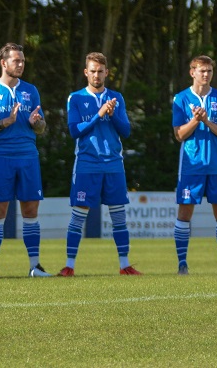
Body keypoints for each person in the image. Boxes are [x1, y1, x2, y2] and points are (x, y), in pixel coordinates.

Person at [58, 52, 141, 277]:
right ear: (86, 72)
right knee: (79, 215)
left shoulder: (116, 97)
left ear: (107, 73)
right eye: (92, 71)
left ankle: (125, 265)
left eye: (100, 71)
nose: (96, 75)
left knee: (118, 217)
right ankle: (69, 266)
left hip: (113, 164)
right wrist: (99, 114)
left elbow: (126, 131)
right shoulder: (75, 98)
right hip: (87, 163)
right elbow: (75, 131)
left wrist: (112, 115)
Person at [0, 42, 50, 278]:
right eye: (16, 60)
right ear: (3, 63)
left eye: (22, 61)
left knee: (31, 209)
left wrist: (36, 123)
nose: (20, 64)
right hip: (1, 158)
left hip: (28, 158)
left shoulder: (31, 90)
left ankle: (35, 266)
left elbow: (41, 127)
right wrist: (5, 122)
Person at [172, 55, 217, 275]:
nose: (206, 75)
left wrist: (207, 120)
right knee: (185, 214)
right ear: (192, 72)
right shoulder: (180, 99)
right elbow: (179, 134)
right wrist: (195, 120)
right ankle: (182, 265)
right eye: (201, 71)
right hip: (191, 167)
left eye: (209, 71)